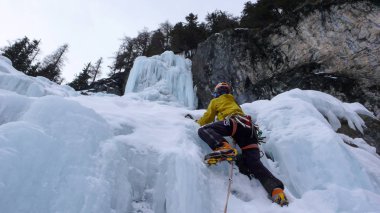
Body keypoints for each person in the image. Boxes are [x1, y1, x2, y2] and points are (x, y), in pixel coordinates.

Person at [197, 82, 288, 206]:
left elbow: (207, 118)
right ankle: (276, 191)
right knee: (254, 163)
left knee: (204, 130)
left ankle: (224, 147)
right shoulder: (234, 102)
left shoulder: (216, 101)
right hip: (249, 130)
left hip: (234, 123)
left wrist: (196, 122)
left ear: (217, 92)